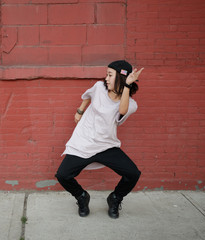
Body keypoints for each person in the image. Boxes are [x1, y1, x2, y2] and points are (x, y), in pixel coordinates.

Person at [55, 60, 144, 219]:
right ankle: (82, 197)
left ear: (122, 78)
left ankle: (115, 198)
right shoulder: (98, 88)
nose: (106, 79)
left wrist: (127, 86)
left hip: (106, 146)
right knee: (62, 175)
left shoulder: (131, 104)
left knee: (133, 173)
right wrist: (80, 111)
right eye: (106, 74)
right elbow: (87, 97)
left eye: (110, 75)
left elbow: (122, 110)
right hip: (84, 142)